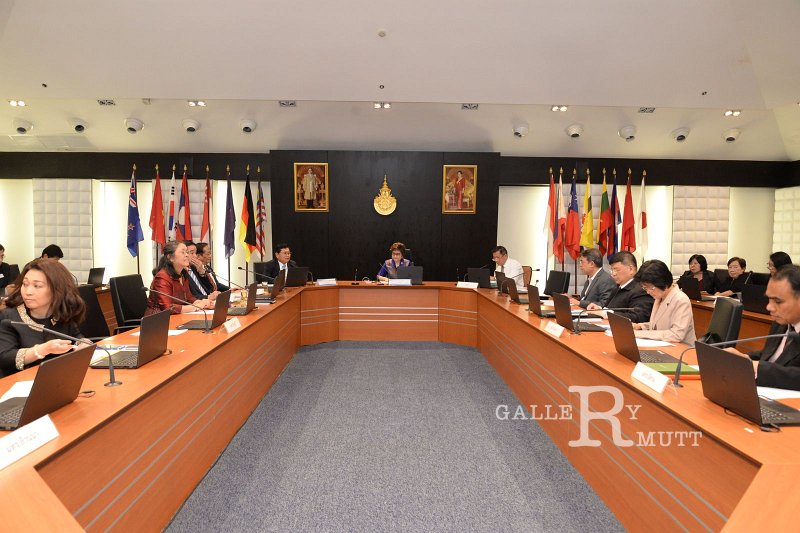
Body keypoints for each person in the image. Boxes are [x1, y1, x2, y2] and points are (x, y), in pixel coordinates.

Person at [0, 259, 86, 377]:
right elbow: (5, 358)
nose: (28, 292)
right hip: (19, 382)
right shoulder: (9, 317)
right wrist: (42, 350)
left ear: (57, 289)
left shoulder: (61, 312)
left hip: (57, 378)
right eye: (25, 284)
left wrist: (83, 344)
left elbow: (76, 336)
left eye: (37, 286)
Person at [738, 264, 800, 390]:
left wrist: (759, 368)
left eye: (778, 301)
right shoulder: (780, 322)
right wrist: (744, 359)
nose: (769, 307)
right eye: (769, 299)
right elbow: (771, 355)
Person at [632, 259, 696, 345]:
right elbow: (658, 325)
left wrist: (639, 334)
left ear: (663, 283)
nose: (648, 292)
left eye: (650, 288)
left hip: (682, 349)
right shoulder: (659, 296)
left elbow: (676, 335)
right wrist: (640, 326)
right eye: (645, 288)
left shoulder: (681, 300)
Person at [145, 241, 213, 315]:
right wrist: (197, 306)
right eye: (183, 252)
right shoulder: (162, 277)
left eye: (187, 252)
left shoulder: (183, 274)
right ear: (170, 257)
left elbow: (189, 298)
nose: (186, 255)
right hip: (158, 319)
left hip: (177, 316)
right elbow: (168, 308)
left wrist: (203, 303)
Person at [586, 251, 653, 323]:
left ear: (631, 269)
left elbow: (638, 317)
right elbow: (609, 308)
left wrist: (605, 313)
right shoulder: (617, 287)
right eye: (612, 269)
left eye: (616, 270)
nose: (613, 274)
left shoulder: (640, 290)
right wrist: (599, 308)